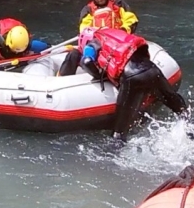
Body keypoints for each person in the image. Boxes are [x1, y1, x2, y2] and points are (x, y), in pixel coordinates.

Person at [57, 27, 187, 138]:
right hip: (151, 69)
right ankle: (188, 130)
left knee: (119, 132)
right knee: (177, 106)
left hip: (131, 78)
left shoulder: (91, 45)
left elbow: (87, 62)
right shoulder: (113, 37)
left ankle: (115, 154)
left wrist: (100, 76)